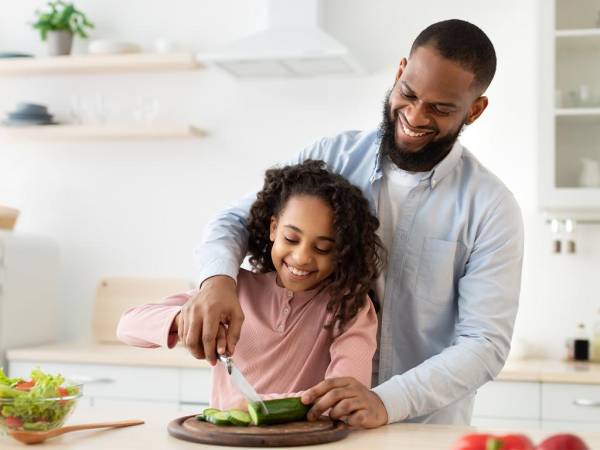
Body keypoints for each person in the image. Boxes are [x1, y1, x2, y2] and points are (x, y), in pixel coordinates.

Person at [187, 19, 524, 427]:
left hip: (422, 431)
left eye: (440, 108)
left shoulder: (490, 207)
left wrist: (386, 401)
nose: (415, 116)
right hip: (319, 427)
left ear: (475, 109)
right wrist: (217, 281)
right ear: (400, 71)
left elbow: (484, 344)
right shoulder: (332, 156)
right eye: (409, 93)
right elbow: (234, 221)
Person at [117, 160, 384, 409]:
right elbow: (128, 326)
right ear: (273, 229)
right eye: (291, 239)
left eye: (323, 248)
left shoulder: (351, 307)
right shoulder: (233, 290)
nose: (302, 257)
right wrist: (186, 320)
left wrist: (257, 406)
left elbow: (346, 395)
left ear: (342, 251)